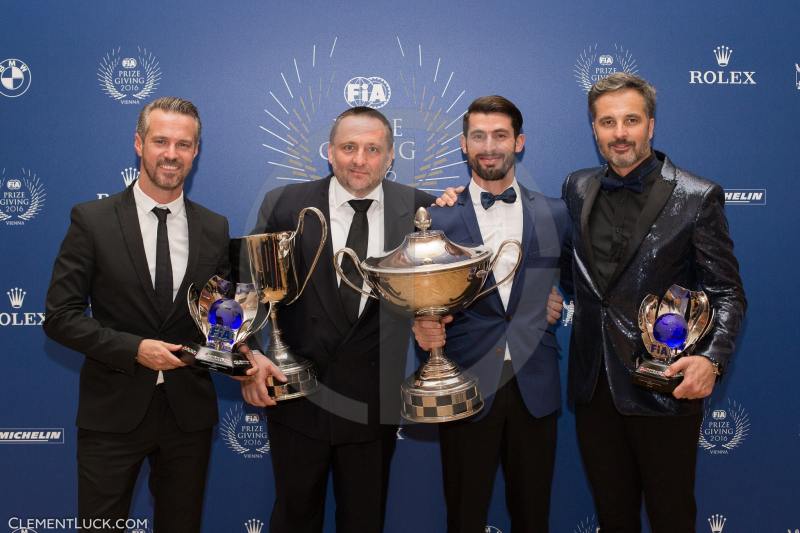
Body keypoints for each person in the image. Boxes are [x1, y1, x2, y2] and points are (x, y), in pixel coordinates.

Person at [43, 97, 277, 533]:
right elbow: (60, 316)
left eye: (184, 144)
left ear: (195, 152)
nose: (171, 154)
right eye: (161, 141)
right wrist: (134, 349)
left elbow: (220, 318)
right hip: (111, 415)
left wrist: (248, 355)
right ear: (139, 143)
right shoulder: (92, 220)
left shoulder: (213, 226)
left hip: (187, 417)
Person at [561, 72, 746, 532]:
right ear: (594, 129)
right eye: (607, 122)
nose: (619, 133)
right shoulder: (577, 187)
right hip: (594, 386)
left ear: (651, 126)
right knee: (613, 516)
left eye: (630, 120)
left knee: (671, 516)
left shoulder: (697, 197)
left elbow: (728, 292)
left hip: (664, 385)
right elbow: (575, 274)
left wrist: (712, 361)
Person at [241, 106, 434, 533]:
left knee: (365, 522)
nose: (359, 160)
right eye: (349, 147)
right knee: (293, 519)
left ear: (390, 157)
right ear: (329, 152)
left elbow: (447, 285)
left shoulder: (421, 208)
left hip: (374, 403)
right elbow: (248, 291)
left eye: (372, 149)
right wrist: (248, 360)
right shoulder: (286, 204)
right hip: (296, 400)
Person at [412, 95, 570, 533]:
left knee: (534, 516)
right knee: (464, 516)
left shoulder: (555, 212)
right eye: (478, 136)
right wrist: (420, 323)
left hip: (534, 386)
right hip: (465, 387)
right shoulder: (436, 217)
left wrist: (558, 298)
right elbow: (421, 301)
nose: (489, 146)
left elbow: (582, 281)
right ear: (463, 145)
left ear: (518, 142)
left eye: (500, 135)